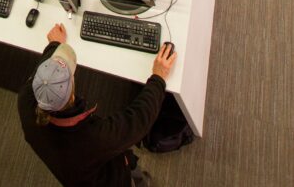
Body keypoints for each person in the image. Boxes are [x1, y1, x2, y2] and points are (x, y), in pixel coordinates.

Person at [18, 23, 177, 187]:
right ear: (72, 92)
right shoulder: (93, 138)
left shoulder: (25, 101)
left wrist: (54, 45)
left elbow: (44, 74)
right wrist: (158, 76)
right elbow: (139, 120)